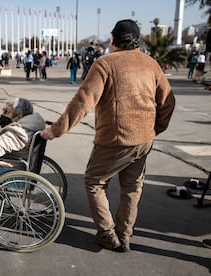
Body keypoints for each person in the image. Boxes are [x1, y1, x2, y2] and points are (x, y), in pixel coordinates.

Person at [41, 19, 175, 253]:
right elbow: (168, 101)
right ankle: (124, 236)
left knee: (95, 181)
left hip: (115, 139)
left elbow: (84, 101)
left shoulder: (105, 64)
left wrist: (56, 129)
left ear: (113, 39)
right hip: (144, 139)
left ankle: (106, 233)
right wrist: (156, 128)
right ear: (137, 40)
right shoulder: (151, 64)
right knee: (132, 188)